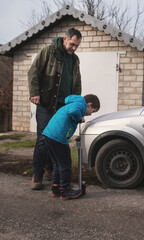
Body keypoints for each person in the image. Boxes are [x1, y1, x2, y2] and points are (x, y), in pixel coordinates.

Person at [28, 28, 83, 190]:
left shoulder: (75, 59)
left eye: (77, 46)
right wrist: (35, 93)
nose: (74, 48)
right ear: (65, 39)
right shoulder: (49, 51)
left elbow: (77, 82)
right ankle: (37, 174)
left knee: (59, 139)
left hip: (63, 107)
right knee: (44, 140)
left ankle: (51, 170)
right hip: (46, 104)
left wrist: (76, 104)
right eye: (72, 44)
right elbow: (34, 72)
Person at [43, 94, 100, 200]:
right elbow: (73, 112)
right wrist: (79, 119)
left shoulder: (74, 103)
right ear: (89, 105)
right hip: (58, 137)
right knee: (65, 165)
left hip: (49, 134)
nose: (90, 114)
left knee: (57, 164)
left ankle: (56, 189)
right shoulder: (80, 104)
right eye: (93, 111)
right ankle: (65, 191)